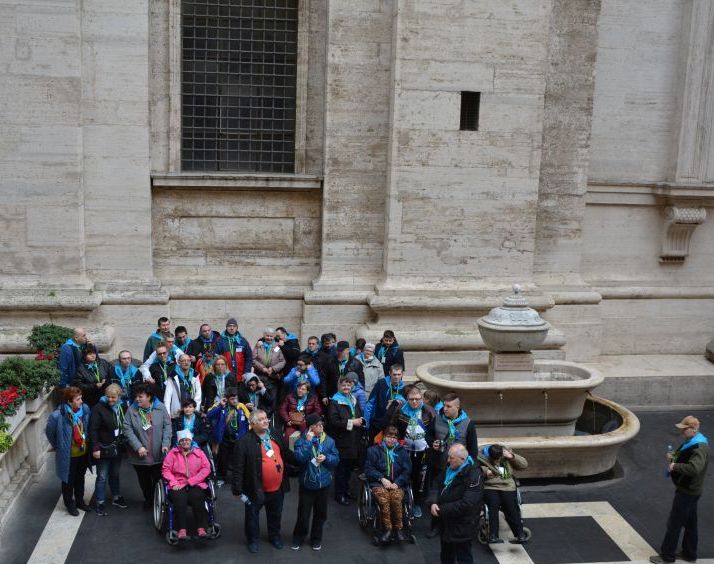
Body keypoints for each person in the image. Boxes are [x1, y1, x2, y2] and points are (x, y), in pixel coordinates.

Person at [232, 409, 295, 554]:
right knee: (252, 517)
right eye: (261, 419)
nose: (266, 421)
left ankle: (275, 536)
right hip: (255, 489)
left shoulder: (275, 434)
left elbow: (285, 453)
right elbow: (238, 467)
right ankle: (252, 540)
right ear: (252, 423)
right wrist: (237, 489)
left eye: (266, 418)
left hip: (278, 488)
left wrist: (302, 457)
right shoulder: (244, 442)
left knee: (275, 515)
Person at [650, 415, 709, 564]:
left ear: (693, 429)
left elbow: (694, 468)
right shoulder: (692, 441)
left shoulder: (699, 447)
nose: (682, 431)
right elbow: (686, 458)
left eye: (684, 429)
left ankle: (667, 556)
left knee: (674, 523)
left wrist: (675, 466)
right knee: (690, 524)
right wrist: (673, 458)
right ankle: (689, 554)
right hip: (691, 490)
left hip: (687, 491)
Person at [290, 413, 340, 551]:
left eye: (321, 424)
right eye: (318, 425)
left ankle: (316, 539)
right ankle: (298, 538)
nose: (321, 427)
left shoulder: (329, 441)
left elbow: (336, 459)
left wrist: (326, 458)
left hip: (323, 484)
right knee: (303, 514)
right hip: (307, 484)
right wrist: (308, 442)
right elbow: (299, 458)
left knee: (321, 514)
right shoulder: (301, 440)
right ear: (311, 428)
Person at [429, 443, 483, 564]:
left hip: (462, 524)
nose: (448, 460)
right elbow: (436, 484)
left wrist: (440, 509)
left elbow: (467, 503)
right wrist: (433, 502)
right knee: (446, 554)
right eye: (448, 457)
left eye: (451, 458)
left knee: (463, 556)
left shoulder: (474, 475)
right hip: (446, 521)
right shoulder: (451, 468)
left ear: (462, 459)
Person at [387, 384, 435, 518]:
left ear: (421, 398)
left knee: (418, 478)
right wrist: (395, 442)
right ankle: (401, 501)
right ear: (407, 398)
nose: (414, 402)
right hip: (404, 450)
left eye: (417, 399)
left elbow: (435, 430)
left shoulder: (429, 411)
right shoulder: (400, 410)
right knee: (402, 474)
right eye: (411, 399)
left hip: (422, 452)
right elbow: (392, 427)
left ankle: (416, 503)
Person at [123, 384, 172, 510]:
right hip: (139, 455)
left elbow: (167, 426)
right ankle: (148, 499)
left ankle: (158, 500)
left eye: (140, 397)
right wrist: (138, 447)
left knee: (158, 479)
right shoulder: (131, 410)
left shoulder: (160, 408)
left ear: (149, 397)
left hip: (158, 453)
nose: (137, 399)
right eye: (136, 396)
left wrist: (166, 444)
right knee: (144, 480)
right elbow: (127, 429)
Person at [45, 386, 91, 516]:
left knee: (80, 478)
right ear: (69, 402)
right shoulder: (57, 416)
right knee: (68, 480)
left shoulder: (85, 409)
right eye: (78, 399)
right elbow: (49, 433)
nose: (81, 401)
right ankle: (69, 504)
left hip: (82, 452)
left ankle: (80, 501)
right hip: (68, 455)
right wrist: (58, 445)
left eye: (81, 398)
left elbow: (87, 426)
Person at [364, 425, 412, 543]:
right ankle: (388, 529)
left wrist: (397, 483)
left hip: (397, 484)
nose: (391, 439)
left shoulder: (402, 452)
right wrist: (382, 478)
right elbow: (368, 469)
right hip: (378, 483)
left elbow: (407, 471)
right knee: (384, 499)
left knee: (396, 498)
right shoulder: (373, 450)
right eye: (389, 436)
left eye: (394, 437)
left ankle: (399, 529)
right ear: (384, 437)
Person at [162, 429, 212, 540]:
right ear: (179, 442)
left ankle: (201, 528)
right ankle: (182, 529)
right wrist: (173, 482)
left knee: (197, 497)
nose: (185, 442)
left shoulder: (199, 452)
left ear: (191, 441)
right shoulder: (173, 453)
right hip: (178, 483)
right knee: (180, 499)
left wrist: (191, 481)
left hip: (196, 483)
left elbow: (206, 468)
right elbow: (166, 470)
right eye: (182, 440)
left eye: (187, 440)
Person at [89, 384, 128, 515]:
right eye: (108, 397)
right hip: (103, 447)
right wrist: (95, 448)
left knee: (115, 473)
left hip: (118, 446)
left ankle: (116, 496)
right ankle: (100, 502)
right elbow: (93, 429)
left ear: (119, 397)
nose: (110, 400)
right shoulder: (98, 408)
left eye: (113, 397)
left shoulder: (123, 406)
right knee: (102, 476)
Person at [327, 374, 365, 505]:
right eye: (343, 385)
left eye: (349, 385)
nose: (346, 387)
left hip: (354, 439)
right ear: (339, 386)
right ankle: (339, 494)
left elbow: (358, 413)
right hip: (342, 440)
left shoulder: (352, 399)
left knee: (349, 468)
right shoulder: (334, 401)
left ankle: (346, 490)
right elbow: (333, 421)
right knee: (341, 470)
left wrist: (361, 420)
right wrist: (352, 422)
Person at [478, 444, 528, 543]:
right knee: (493, 507)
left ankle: (520, 534)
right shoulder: (480, 455)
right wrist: (484, 471)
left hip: (507, 485)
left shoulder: (506, 453)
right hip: (490, 485)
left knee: (511, 507)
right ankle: (493, 535)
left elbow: (523, 466)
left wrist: (512, 457)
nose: (497, 462)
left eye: (498, 459)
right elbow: (473, 468)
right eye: (495, 459)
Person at [207, 388, 251, 484]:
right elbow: (209, 415)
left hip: (239, 437)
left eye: (236, 398)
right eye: (232, 399)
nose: (235, 401)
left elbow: (250, 419)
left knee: (239, 459)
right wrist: (220, 405)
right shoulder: (220, 405)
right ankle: (221, 477)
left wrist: (246, 435)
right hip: (224, 437)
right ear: (226, 399)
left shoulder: (241, 406)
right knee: (223, 458)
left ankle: (239, 478)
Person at [429, 392, 479, 475]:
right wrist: (433, 443)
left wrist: (470, 468)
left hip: (459, 469)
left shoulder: (468, 423)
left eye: (448, 406)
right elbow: (428, 436)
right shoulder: (437, 419)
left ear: (457, 407)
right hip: (438, 466)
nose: (445, 409)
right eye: (444, 405)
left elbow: (473, 449)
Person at [364, 364, 406, 435]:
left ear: (402, 374)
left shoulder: (404, 388)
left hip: (394, 425)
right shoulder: (381, 383)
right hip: (378, 422)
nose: (396, 377)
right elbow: (370, 403)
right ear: (390, 373)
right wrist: (366, 423)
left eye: (399, 374)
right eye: (394, 374)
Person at [252, 327, 286, 403]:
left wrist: (273, 368)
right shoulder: (259, 345)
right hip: (260, 376)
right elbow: (253, 359)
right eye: (267, 336)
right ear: (264, 336)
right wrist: (262, 368)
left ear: (274, 337)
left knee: (272, 399)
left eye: (271, 336)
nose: (269, 338)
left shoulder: (277, 346)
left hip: (272, 377)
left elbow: (282, 361)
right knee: (259, 399)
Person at [163, 354, 202, 418]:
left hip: (191, 412)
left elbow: (198, 395)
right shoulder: (173, 376)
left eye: (188, 360)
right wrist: (167, 414)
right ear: (179, 362)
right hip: (177, 412)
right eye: (183, 360)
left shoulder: (195, 375)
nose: (186, 362)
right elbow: (167, 396)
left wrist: (195, 410)